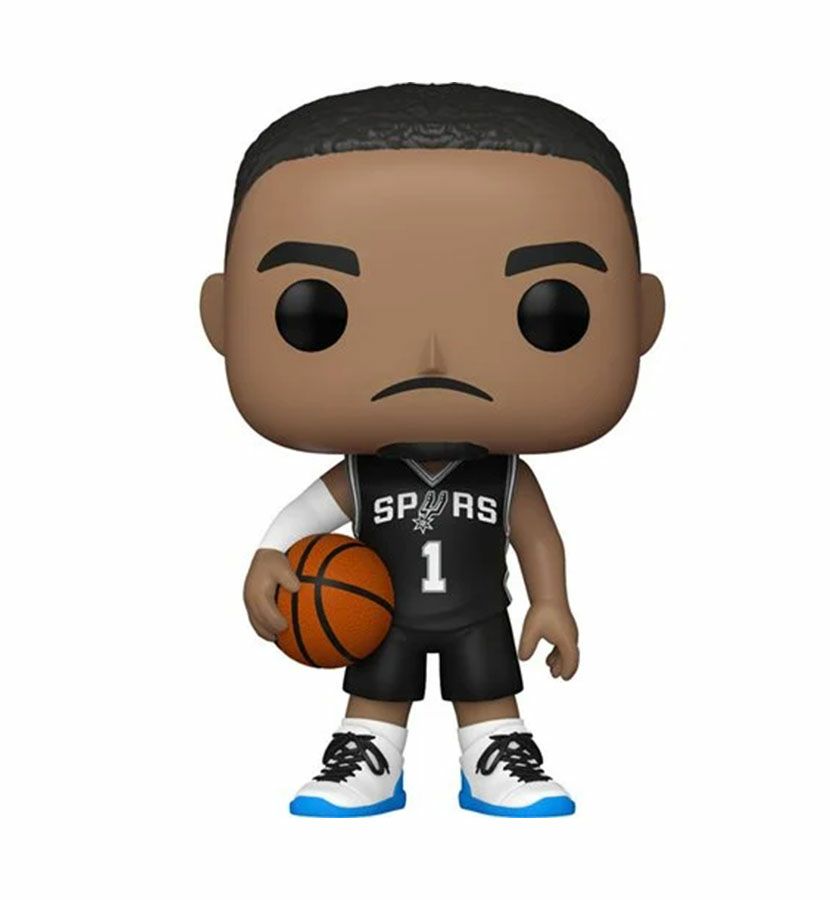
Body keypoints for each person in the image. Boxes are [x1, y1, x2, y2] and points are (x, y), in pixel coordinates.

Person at [200, 83, 664, 817]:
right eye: (316, 312)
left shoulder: (503, 473)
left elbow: (537, 537)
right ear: (222, 317)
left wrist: (550, 601)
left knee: (491, 697)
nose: (433, 357)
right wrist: (268, 556)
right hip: (380, 612)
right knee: (374, 698)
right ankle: (369, 759)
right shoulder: (364, 472)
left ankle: (495, 760)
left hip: (479, 613)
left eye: (551, 312)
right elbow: (304, 516)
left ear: (642, 317)